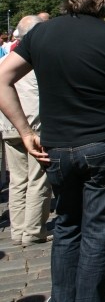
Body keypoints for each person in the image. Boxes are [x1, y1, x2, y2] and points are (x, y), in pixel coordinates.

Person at [0, 0, 105, 301]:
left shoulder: (40, 34)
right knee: (98, 231)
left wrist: (25, 131)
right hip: (103, 144)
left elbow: (2, 78)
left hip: (57, 147)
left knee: (67, 226)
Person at [0, 15, 52, 247]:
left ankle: (17, 229)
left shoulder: (8, 58)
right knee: (38, 179)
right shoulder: (38, 57)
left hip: (10, 126)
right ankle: (32, 230)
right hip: (34, 127)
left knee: (17, 180)